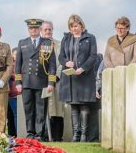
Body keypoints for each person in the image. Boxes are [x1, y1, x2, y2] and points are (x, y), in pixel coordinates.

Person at [15, 19, 57, 141]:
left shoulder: (47, 43)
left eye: (35, 28)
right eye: (31, 28)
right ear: (28, 29)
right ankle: (30, 133)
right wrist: (18, 82)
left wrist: (51, 83)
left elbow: (52, 65)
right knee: (28, 109)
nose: (33, 30)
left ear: (39, 29)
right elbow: (18, 65)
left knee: (40, 109)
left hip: (41, 82)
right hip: (27, 82)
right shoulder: (22, 43)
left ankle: (39, 134)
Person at [58, 14, 97, 142]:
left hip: (84, 76)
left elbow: (93, 56)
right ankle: (76, 135)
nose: (74, 29)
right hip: (70, 77)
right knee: (74, 106)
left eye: (75, 26)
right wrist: (66, 63)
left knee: (84, 106)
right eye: (71, 26)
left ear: (81, 25)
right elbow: (61, 56)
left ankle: (84, 135)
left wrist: (83, 68)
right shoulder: (66, 38)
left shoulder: (90, 38)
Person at [40, 20, 64, 142]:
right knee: (43, 109)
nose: (48, 31)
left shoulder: (59, 44)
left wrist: (54, 78)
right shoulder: (38, 44)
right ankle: (43, 135)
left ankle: (57, 136)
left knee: (57, 109)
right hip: (41, 82)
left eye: (50, 29)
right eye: (45, 29)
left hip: (57, 81)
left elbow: (62, 63)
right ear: (41, 31)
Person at [7, 47, 20, 137]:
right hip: (12, 94)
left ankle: (18, 133)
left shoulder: (22, 63)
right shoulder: (10, 65)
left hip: (20, 93)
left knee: (17, 115)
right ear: (12, 55)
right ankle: (16, 134)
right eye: (15, 54)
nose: (17, 56)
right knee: (15, 114)